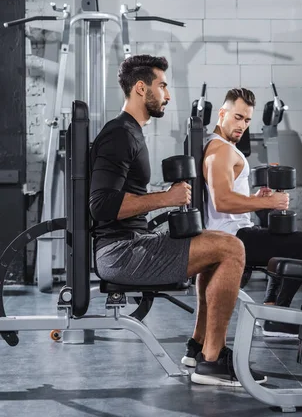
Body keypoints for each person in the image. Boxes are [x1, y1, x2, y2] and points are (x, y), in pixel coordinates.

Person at [89, 55, 267, 386]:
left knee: (216, 247)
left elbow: (121, 196)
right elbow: (101, 206)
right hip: (120, 253)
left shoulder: (131, 133)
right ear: (141, 89)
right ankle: (212, 362)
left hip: (131, 245)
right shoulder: (120, 135)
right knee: (231, 248)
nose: (168, 95)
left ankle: (198, 348)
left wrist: (161, 196)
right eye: (162, 86)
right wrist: (166, 198)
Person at [203, 88, 302, 337]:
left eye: (246, 120)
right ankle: (275, 317)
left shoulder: (223, 147)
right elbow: (221, 201)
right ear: (222, 113)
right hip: (231, 239)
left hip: (235, 231)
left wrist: (253, 200)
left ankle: (271, 310)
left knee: (288, 239)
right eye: (237, 117)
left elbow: (225, 195)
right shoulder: (220, 150)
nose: (242, 125)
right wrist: (267, 204)